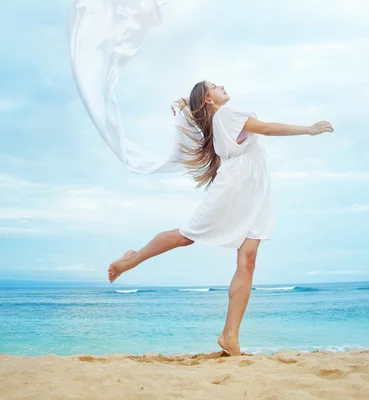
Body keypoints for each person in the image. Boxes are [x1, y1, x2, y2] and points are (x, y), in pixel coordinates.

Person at [108, 80, 334, 356]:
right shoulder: (228, 114)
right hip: (235, 185)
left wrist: (183, 104)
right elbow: (264, 128)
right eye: (215, 86)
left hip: (255, 187)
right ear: (208, 99)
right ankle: (130, 260)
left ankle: (230, 336)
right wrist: (308, 130)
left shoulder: (220, 116)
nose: (223, 86)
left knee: (248, 257)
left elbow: (198, 109)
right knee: (186, 236)